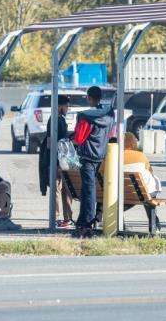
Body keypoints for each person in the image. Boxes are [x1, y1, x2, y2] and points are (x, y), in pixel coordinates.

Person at [72, 86, 114, 238]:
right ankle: (82, 221)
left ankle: (86, 224)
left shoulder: (86, 117)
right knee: (87, 190)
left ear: (89, 98)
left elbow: (79, 139)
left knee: (88, 191)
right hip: (100, 156)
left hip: (87, 156)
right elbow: (110, 134)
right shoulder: (109, 115)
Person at [38, 95, 73, 228]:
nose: (67, 109)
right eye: (66, 106)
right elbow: (51, 142)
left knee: (66, 189)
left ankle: (67, 217)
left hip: (63, 159)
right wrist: (55, 162)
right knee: (57, 188)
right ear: (60, 106)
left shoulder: (60, 119)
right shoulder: (54, 120)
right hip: (57, 159)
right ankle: (56, 217)